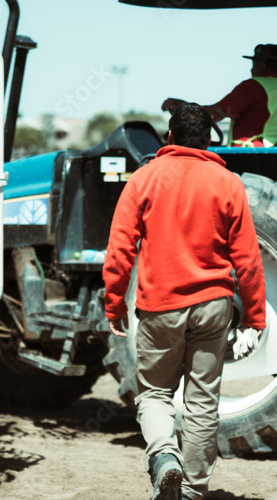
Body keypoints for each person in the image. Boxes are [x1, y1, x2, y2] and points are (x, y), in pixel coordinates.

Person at [102, 103, 266, 500]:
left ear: (169, 138)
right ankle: (192, 490)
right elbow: (247, 257)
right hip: (214, 306)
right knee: (202, 399)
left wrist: (114, 304)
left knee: (156, 394)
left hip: (160, 305)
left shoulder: (144, 179)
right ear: (209, 139)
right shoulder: (228, 183)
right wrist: (256, 317)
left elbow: (120, 249)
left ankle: (164, 458)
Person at [162, 44, 277, 147]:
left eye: (253, 64)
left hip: (253, 155)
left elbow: (211, 115)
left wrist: (181, 106)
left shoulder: (253, 86)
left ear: (262, 66)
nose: (251, 69)